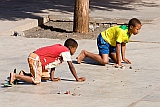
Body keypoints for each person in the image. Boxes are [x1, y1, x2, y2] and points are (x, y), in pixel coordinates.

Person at [9, 38, 86, 85]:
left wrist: (52, 78)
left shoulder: (61, 49)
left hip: (35, 58)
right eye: (75, 49)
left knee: (46, 77)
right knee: (37, 81)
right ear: (70, 47)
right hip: (36, 58)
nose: (75, 51)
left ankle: (23, 74)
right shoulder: (66, 51)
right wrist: (77, 78)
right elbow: (71, 66)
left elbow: (53, 64)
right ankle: (15, 76)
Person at [77, 18, 142, 67]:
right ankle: (85, 53)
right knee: (104, 61)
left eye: (139, 29)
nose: (138, 31)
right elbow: (118, 46)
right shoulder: (122, 31)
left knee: (117, 60)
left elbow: (123, 45)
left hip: (112, 43)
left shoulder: (129, 33)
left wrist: (123, 58)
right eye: (137, 29)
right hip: (104, 39)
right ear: (131, 27)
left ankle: (109, 53)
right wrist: (119, 62)